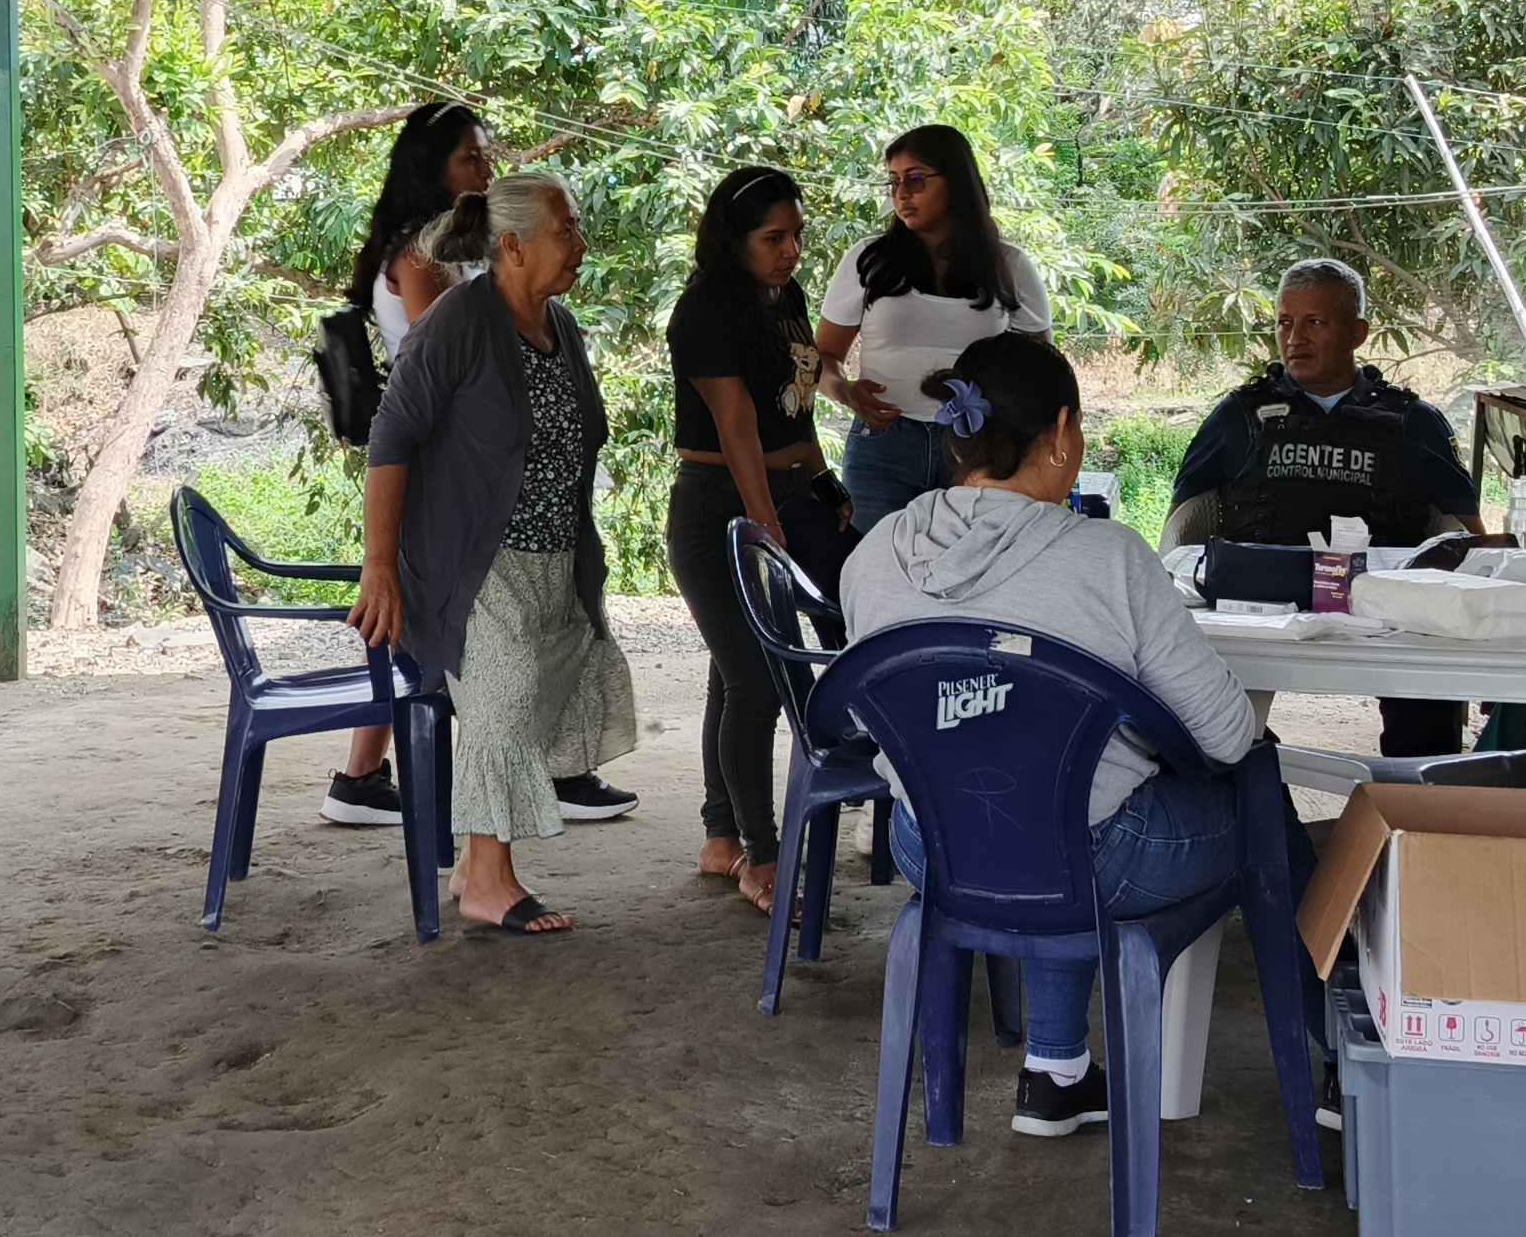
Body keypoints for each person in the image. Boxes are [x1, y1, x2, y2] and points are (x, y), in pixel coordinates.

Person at [840, 331, 1261, 1136]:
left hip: (932, 849)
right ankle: (1340, 1053)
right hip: (1094, 862)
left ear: (956, 437)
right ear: (1063, 432)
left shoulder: (873, 554)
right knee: (1253, 808)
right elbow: (1227, 737)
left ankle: (1058, 1069)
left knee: (1043, 792)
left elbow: (867, 719)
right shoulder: (1108, 558)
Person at [350, 175, 641, 933]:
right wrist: (379, 565)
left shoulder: (559, 324)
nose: (580, 246)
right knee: (504, 695)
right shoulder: (457, 321)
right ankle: (485, 876)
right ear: (512, 245)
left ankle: (477, 865)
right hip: (473, 565)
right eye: (566, 232)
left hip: (553, 559)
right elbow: (392, 437)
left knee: (553, 677)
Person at [1162, 259, 1479, 757]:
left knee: (1428, 700)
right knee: (1208, 721)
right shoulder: (1238, 416)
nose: (1295, 339)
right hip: (1257, 607)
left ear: (1357, 333)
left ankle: (1411, 802)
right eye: (1284, 323)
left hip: (1385, 612)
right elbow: (1180, 526)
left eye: (1315, 323)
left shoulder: (1413, 422)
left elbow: (1467, 536)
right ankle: (1261, 793)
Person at [664, 165, 851, 916]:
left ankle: (720, 838)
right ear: (732, 239)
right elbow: (736, 424)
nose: (791, 251)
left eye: (796, 235)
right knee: (756, 680)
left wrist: (822, 478)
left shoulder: (786, 298)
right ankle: (763, 857)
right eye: (773, 238)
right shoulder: (706, 308)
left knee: (735, 671)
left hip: (788, 492)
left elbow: (796, 405)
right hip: (721, 506)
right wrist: (764, 526)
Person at [324, 104, 497, 831]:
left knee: (417, 615)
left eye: (487, 153)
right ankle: (535, 772)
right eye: (469, 157)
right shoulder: (422, 256)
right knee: (436, 611)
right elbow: (453, 354)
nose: (486, 167)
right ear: (433, 167)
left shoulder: (449, 244)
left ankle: (361, 776)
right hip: (435, 453)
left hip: (450, 450)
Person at [814, 124, 1052, 536]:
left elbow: (1042, 371)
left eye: (916, 179)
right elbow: (822, 357)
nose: (901, 194)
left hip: (976, 448)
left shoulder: (1008, 266)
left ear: (956, 181)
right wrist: (846, 392)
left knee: (971, 565)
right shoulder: (868, 260)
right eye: (893, 182)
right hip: (882, 448)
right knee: (879, 565)